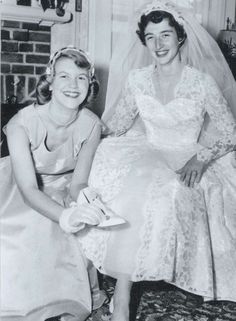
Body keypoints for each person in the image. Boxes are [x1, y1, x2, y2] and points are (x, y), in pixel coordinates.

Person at [69, 1, 236, 320]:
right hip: (148, 149)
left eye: (166, 35)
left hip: (186, 154)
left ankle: (121, 295)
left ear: (180, 37)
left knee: (154, 185)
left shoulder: (201, 82)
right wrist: (80, 130)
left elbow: (230, 131)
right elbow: (115, 125)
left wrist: (200, 160)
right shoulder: (137, 79)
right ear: (143, 41)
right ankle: (114, 291)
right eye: (150, 37)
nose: (158, 44)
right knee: (121, 173)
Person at [0, 47, 106, 321]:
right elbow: (27, 190)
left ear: (90, 83)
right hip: (18, 188)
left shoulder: (92, 124)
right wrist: (64, 215)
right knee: (23, 231)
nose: (73, 86)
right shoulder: (20, 124)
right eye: (64, 77)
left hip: (64, 187)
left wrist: (85, 204)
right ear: (50, 81)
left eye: (81, 78)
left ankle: (62, 299)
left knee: (82, 232)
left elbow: (79, 182)